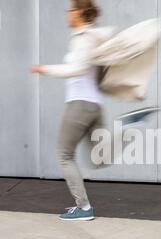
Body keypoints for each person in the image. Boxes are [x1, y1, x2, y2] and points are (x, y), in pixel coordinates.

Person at [30, 0, 107, 221]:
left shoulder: (85, 39)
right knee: (100, 158)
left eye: (70, 10)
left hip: (80, 105)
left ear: (80, 12)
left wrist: (43, 69)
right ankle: (129, 130)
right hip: (94, 106)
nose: (67, 14)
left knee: (64, 155)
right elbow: (100, 73)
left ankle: (84, 208)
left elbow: (76, 69)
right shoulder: (92, 37)